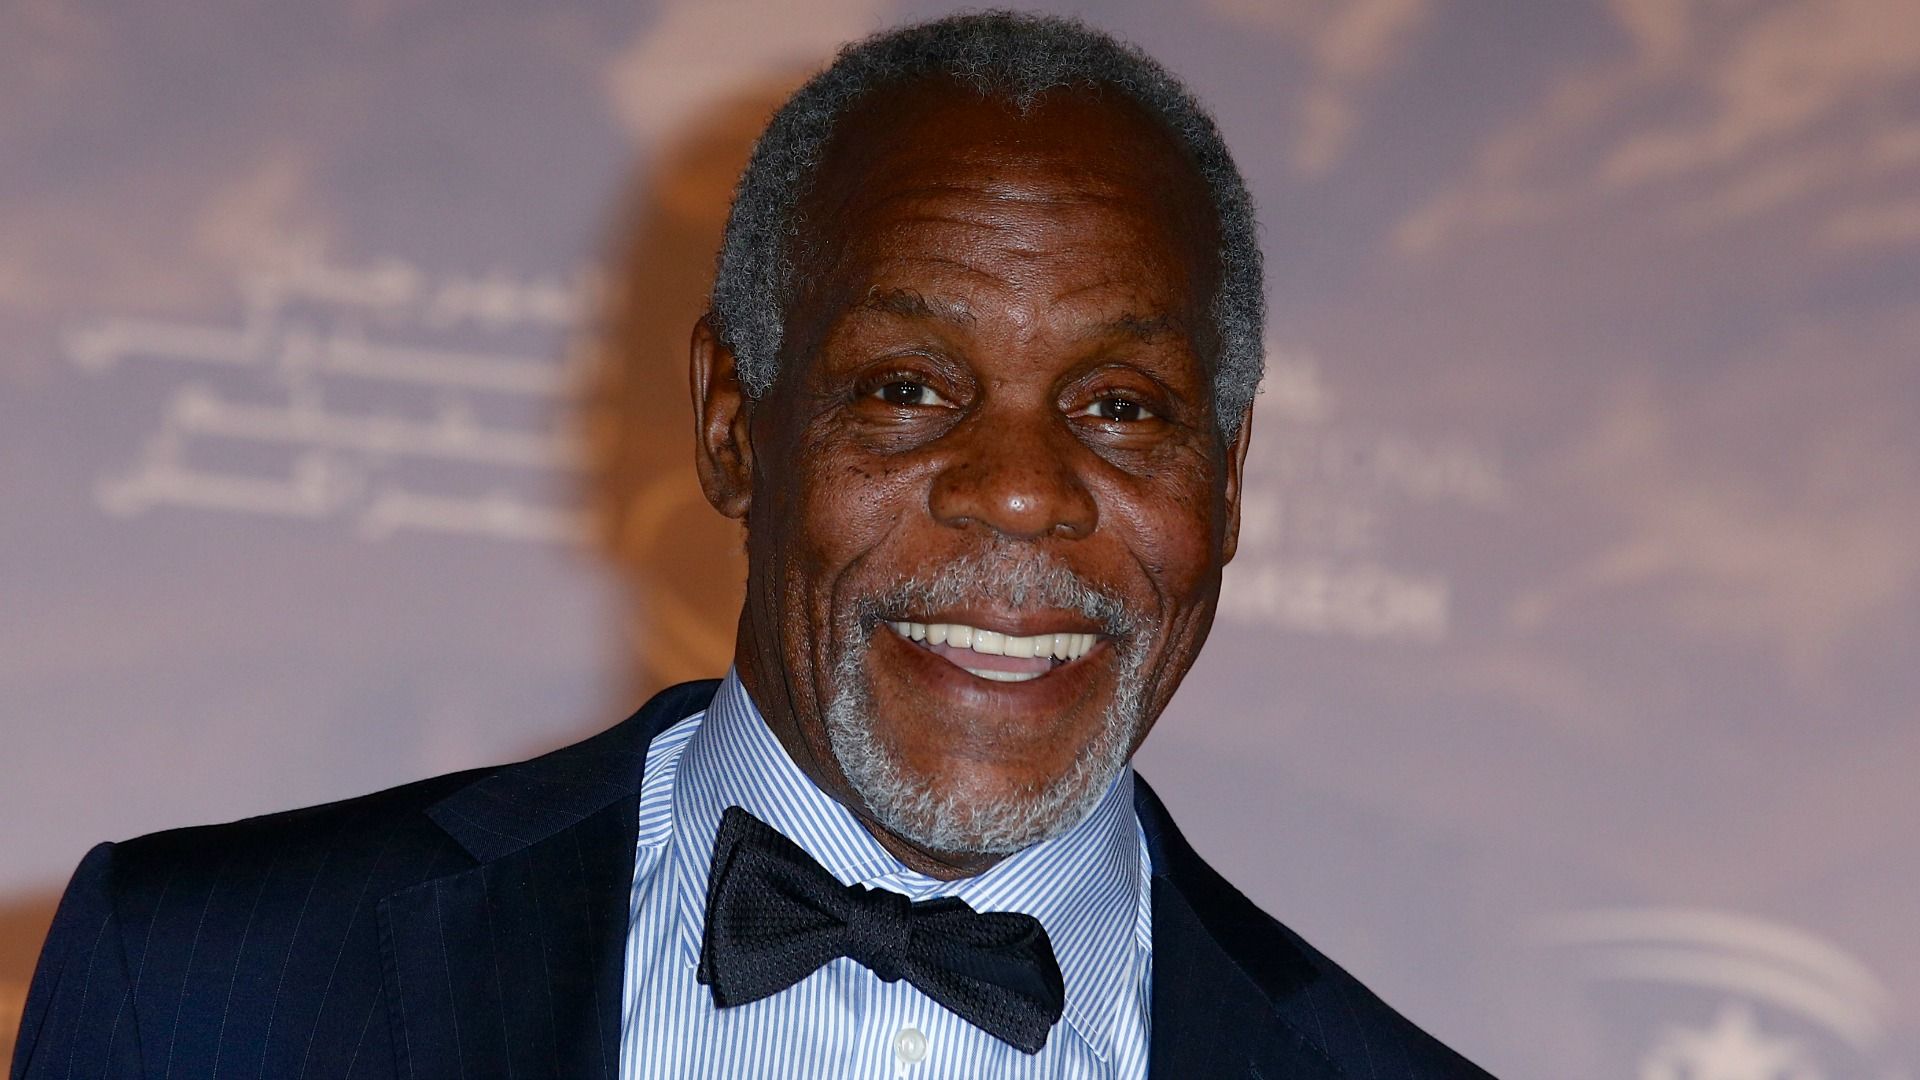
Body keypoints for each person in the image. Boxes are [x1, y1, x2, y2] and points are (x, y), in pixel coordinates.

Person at [13, 13, 1493, 1079]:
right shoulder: (201, 990)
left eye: (1120, 407)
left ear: (1225, 484)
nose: (1020, 493)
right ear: (733, 425)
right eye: (908, 388)